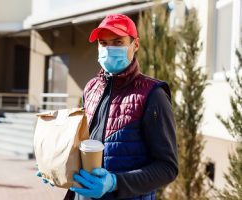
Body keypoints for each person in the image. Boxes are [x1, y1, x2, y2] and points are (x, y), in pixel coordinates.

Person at [38, 14, 178, 200]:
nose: (109, 49)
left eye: (118, 42)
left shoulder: (152, 95)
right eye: (103, 43)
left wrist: (114, 182)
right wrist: (57, 166)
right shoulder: (91, 88)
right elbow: (82, 143)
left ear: (135, 45)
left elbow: (167, 168)